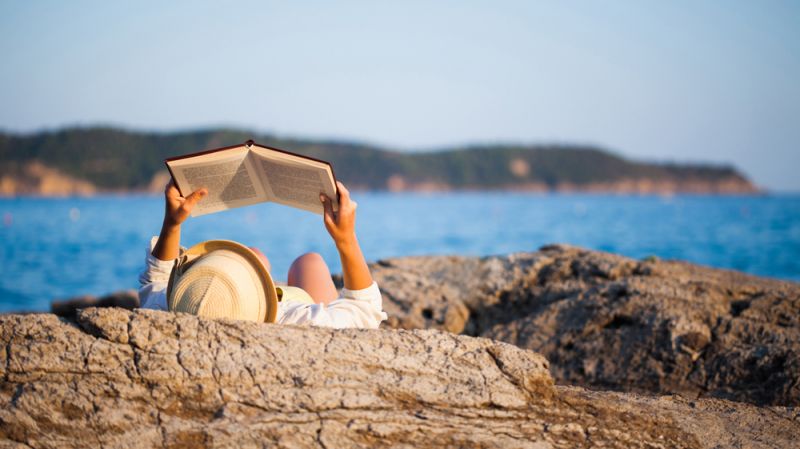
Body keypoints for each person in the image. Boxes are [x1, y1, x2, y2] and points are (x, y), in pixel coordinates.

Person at [138, 180, 387, 329]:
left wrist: (172, 223)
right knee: (310, 262)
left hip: (244, 306)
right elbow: (365, 311)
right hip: (283, 308)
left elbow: (158, 278)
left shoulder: (170, 308)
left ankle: (253, 266)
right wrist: (346, 239)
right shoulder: (294, 319)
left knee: (255, 255)